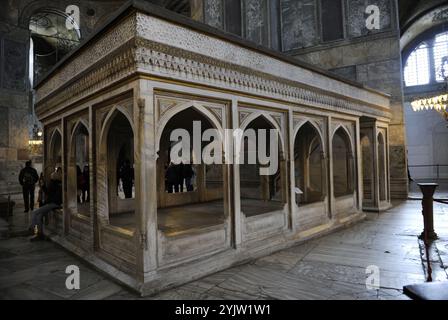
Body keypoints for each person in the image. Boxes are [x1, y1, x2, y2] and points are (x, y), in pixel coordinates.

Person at [29, 167, 62, 241]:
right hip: (51, 203)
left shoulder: (57, 185)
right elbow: (48, 193)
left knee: (35, 212)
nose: (50, 177)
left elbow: (55, 197)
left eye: (52, 176)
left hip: (54, 204)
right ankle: (39, 234)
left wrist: (48, 202)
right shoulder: (53, 184)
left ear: (54, 177)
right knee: (38, 216)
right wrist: (43, 186)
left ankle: (32, 228)